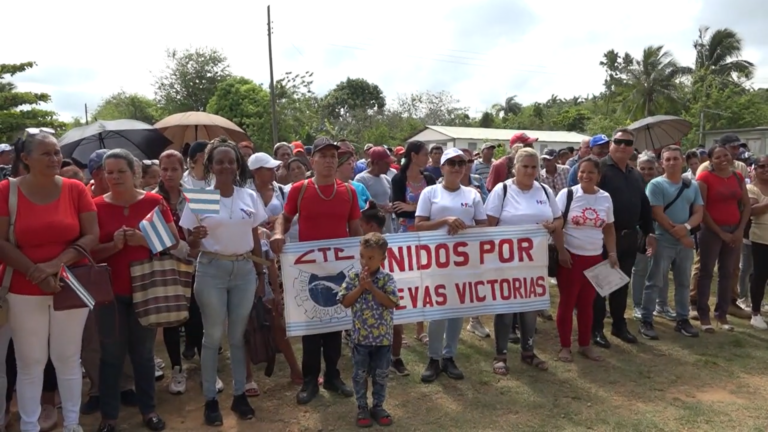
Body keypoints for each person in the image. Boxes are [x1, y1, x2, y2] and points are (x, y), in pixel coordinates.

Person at [0, 133, 97, 432]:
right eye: (46, 154)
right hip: (23, 289)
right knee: (31, 363)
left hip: (71, 285)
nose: (55, 159)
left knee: (68, 358)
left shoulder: (75, 188)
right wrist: (36, 274)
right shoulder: (6, 190)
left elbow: (91, 235)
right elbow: (1, 242)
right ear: (25, 159)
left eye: (57, 153)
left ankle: (72, 424)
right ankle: (29, 425)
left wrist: (55, 266)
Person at [179, 138, 268, 426]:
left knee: (238, 336)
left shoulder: (248, 197)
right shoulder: (201, 196)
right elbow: (190, 245)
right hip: (211, 269)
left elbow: (255, 236)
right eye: (220, 161)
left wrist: (261, 274)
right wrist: (194, 238)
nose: (226, 166)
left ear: (237, 164)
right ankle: (210, 399)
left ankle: (239, 394)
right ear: (211, 166)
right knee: (213, 335)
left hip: (243, 269)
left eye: (231, 161)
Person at [270, 137, 362, 405]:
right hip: (307, 268)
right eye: (324, 156)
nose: (330, 160)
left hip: (339, 269)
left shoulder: (349, 191)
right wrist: (277, 234)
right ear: (313, 161)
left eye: (334, 156)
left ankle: (333, 377)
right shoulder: (299, 189)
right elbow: (284, 218)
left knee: (335, 323)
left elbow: (355, 229)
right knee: (310, 327)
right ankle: (310, 380)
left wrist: (363, 257)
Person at [91, 149, 176, 432]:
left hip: (146, 290)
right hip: (109, 293)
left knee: (143, 354)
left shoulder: (154, 201)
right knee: (111, 355)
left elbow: (173, 242)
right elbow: (88, 251)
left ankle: (149, 410)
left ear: (134, 173)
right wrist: (112, 247)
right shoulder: (95, 206)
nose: (114, 177)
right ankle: (109, 417)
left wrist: (144, 239)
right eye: (109, 172)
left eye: (120, 171)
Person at [484, 147, 561, 373]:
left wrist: (553, 227)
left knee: (530, 306)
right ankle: (501, 354)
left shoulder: (545, 191)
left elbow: (558, 219)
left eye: (533, 167)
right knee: (505, 308)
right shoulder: (503, 190)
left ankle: (528, 351)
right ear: (514, 167)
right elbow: (489, 225)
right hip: (505, 260)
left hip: (535, 260)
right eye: (524, 166)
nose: (529, 171)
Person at [415, 147, 488, 383]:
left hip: (464, 262)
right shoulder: (430, 192)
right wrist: (445, 221)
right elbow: (419, 225)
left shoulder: (472, 195)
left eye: (461, 163)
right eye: (452, 163)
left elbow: (483, 226)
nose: (457, 167)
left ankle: (449, 356)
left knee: (457, 310)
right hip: (436, 260)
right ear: (442, 167)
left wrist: (466, 229)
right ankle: (434, 357)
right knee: (438, 312)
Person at [590, 129, 654, 349]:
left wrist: (649, 231)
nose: (623, 146)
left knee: (620, 283)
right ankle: (595, 328)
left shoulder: (634, 173)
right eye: (618, 142)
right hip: (604, 237)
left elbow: (644, 205)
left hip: (629, 237)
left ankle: (618, 324)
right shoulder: (600, 170)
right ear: (611, 145)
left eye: (628, 143)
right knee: (600, 285)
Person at [554, 156, 616, 362]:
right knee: (567, 302)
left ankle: (584, 344)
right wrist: (562, 251)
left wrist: (612, 253)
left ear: (599, 176)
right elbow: (557, 225)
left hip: (594, 259)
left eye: (591, 172)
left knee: (587, 304)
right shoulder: (568, 194)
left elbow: (608, 228)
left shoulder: (605, 198)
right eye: (582, 171)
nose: (585, 175)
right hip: (570, 258)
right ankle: (564, 346)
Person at [638, 146, 703, 340]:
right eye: (668, 159)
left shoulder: (692, 185)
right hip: (662, 240)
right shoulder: (656, 185)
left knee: (683, 282)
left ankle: (682, 319)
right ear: (661, 163)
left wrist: (688, 228)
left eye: (675, 159)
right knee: (654, 281)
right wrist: (681, 235)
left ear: (682, 160)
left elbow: (699, 211)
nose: (672, 162)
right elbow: (657, 213)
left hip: (684, 241)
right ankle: (647, 319)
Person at [338, 233, 398, 428]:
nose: (365, 261)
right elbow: (345, 302)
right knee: (360, 374)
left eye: (371, 258)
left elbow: (391, 303)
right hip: (360, 339)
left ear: (383, 258)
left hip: (383, 340)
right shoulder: (353, 278)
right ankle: (362, 407)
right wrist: (360, 288)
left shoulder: (387, 279)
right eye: (362, 256)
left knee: (381, 374)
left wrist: (371, 288)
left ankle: (378, 406)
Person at [153, 150, 201, 394]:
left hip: (196, 266)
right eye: (164, 168)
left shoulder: (195, 196)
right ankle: (177, 369)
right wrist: (182, 249)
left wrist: (195, 248)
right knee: (172, 320)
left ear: (183, 169)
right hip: (167, 267)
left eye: (174, 168)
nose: (168, 173)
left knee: (196, 315)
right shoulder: (150, 198)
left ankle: (207, 366)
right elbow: (153, 237)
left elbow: (207, 227)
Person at [694, 144, 751, 333]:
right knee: (706, 271)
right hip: (711, 231)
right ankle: (703, 314)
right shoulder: (704, 178)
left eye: (725, 155)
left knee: (727, 273)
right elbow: (702, 208)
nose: (723, 159)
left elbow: (746, 205)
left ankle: (722, 313)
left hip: (735, 230)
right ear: (710, 160)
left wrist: (740, 230)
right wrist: (720, 232)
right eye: (717, 157)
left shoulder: (738, 176)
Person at [390, 141, 436, 345]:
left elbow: (436, 206)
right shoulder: (399, 179)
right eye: (426, 154)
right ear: (414, 156)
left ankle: (420, 328)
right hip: (405, 236)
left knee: (424, 281)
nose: (429, 158)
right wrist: (418, 208)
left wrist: (412, 207)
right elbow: (397, 209)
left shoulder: (429, 178)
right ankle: (400, 328)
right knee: (404, 282)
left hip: (427, 236)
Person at [359, 203, 409, 377]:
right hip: (364, 296)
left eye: (361, 224)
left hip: (387, 292)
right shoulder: (358, 244)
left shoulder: (393, 243)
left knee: (396, 325)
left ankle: (395, 359)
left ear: (371, 226)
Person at [631, 152, 673, 321]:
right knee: (640, 268)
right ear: (637, 168)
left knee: (662, 269)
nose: (647, 172)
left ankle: (662, 304)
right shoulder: (633, 185)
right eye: (643, 168)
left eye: (650, 168)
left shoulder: (663, 184)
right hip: (641, 231)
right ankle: (638, 305)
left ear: (657, 168)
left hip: (662, 230)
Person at [747, 155, 768, 329]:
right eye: (762, 166)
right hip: (761, 237)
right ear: (755, 169)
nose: (766, 169)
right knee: (760, 275)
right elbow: (751, 210)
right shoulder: (751, 188)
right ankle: (755, 313)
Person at [355, 147, 395, 233]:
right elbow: (360, 206)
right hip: (371, 230)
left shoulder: (386, 179)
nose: (389, 166)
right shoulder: (361, 179)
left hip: (388, 228)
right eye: (386, 163)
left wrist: (391, 206)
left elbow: (390, 200)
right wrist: (380, 208)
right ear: (377, 162)